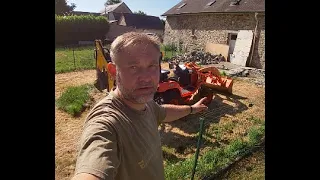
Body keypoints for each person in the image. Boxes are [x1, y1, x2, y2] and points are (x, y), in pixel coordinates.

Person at [72, 32, 209, 180]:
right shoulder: (107, 123)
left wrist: (192, 109)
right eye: (133, 67)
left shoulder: (147, 104)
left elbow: (163, 112)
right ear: (113, 71)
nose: (146, 77)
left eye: (152, 66)